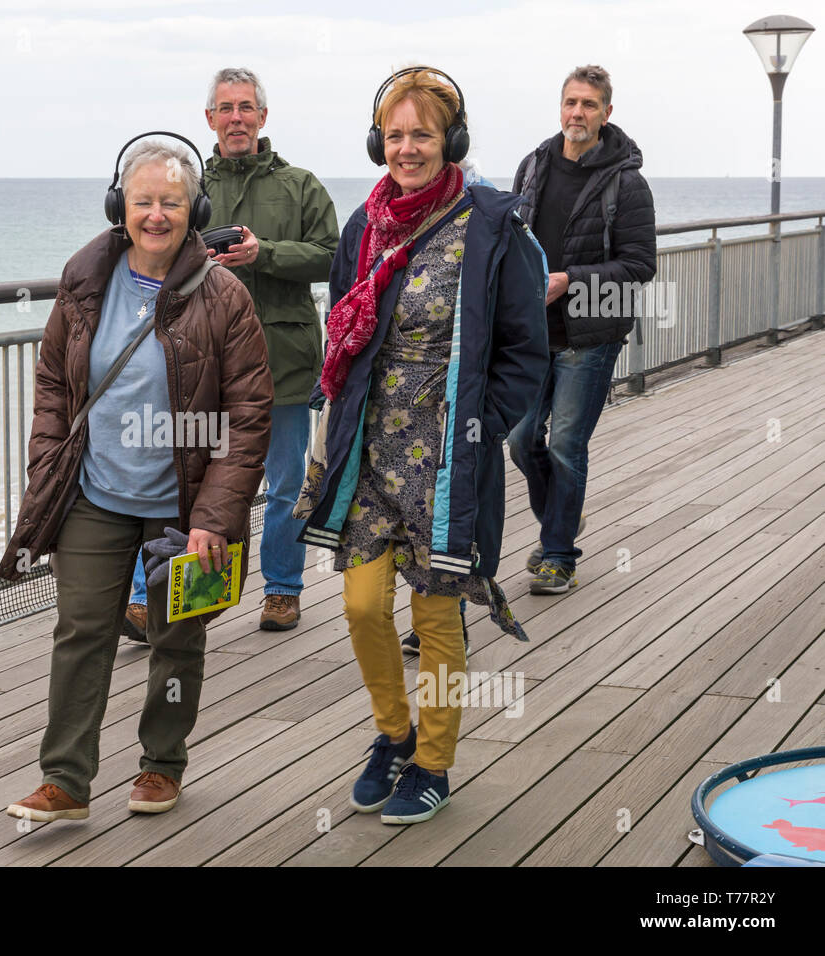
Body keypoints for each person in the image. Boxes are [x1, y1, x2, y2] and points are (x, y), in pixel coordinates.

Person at [294, 68, 547, 824]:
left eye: (422, 135)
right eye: (395, 134)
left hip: (446, 463)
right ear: (379, 141)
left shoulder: (495, 227)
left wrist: (480, 427)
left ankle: (433, 761)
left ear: (452, 141)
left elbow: (525, 352)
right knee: (363, 603)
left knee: (436, 616)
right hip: (370, 454)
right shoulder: (362, 226)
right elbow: (344, 316)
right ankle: (393, 733)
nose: (407, 148)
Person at [0, 134, 273, 823]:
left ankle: (161, 765)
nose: (156, 215)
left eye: (171, 203)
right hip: (94, 493)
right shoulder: (85, 279)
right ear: (120, 206)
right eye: (144, 200)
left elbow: (248, 414)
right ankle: (65, 780)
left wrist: (214, 517)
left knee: (178, 635)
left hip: (184, 505)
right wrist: (48, 465)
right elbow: (54, 383)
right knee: (81, 630)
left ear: (194, 210)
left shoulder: (225, 297)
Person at [121, 67, 338, 640]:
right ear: (210, 119)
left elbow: (334, 257)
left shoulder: (302, 185)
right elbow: (148, 245)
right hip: (202, 366)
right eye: (226, 108)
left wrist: (264, 253)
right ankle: (155, 597)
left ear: (262, 117)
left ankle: (283, 591)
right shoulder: (187, 185)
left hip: (283, 365)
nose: (236, 118)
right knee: (182, 482)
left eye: (246, 107)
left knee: (287, 484)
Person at [509, 64, 657, 594]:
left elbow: (640, 265)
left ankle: (558, 553)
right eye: (571, 102)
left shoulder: (627, 182)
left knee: (567, 444)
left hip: (590, 335)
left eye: (589, 105)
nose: (578, 113)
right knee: (523, 441)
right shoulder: (532, 166)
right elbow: (512, 240)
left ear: (606, 113)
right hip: (531, 333)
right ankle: (562, 521)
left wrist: (569, 279)